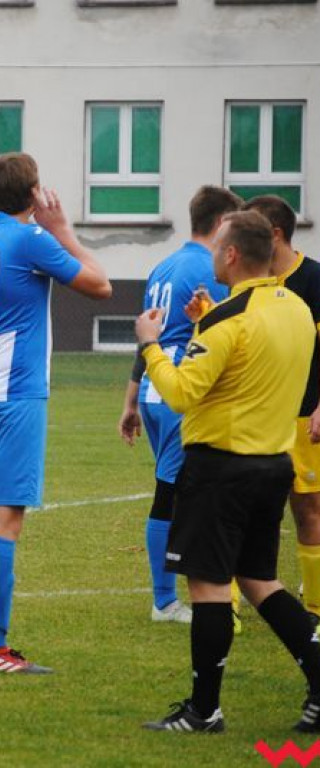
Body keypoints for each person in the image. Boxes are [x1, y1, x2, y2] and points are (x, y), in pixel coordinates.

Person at [138, 210, 320, 733]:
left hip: (220, 468)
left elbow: (179, 393)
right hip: (273, 462)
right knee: (261, 580)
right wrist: (205, 319)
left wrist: (150, 342)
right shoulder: (298, 308)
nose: (212, 254)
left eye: (217, 247)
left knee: (209, 586)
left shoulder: (227, 321)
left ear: (232, 254)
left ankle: (203, 710)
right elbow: (249, 364)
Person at [0, 152, 111, 673]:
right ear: (33, 194)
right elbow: (100, 284)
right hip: (17, 391)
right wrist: (62, 229)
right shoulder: (29, 239)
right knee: (6, 517)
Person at [118, 186, 242, 625]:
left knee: (173, 489)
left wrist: (131, 400)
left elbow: (145, 335)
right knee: (172, 493)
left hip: (156, 389)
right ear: (222, 221)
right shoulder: (209, 269)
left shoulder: (163, 266)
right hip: (179, 391)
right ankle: (166, 600)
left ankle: (185, 591)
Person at [243, 194, 320, 626]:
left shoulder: (313, 279)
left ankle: (315, 609)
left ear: (274, 234)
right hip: (259, 418)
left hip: (303, 416)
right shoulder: (251, 283)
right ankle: (241, 602)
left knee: (308, 508)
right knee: (250, 509)